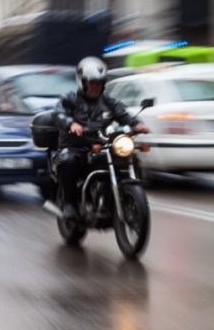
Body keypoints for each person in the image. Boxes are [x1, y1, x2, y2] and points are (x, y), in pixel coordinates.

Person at [53, 57, 150, 219]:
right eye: (92, 82)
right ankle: (70, 203)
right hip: (75, 146)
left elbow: (123, 114)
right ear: (82, 82)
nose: (95, 86)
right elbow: (59, 113)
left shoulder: (108, 101)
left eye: (99, 83)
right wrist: (71, 124)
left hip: (101, 145)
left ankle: (121, 197)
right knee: (67, 160)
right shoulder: (70, 99)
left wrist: (136, 124)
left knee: (128, 156)